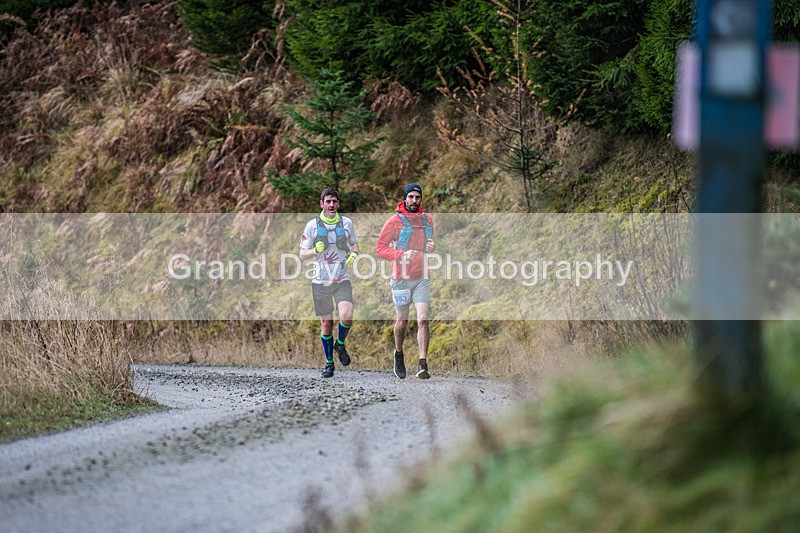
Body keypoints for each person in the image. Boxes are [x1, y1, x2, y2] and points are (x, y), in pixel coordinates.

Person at [376, 183, 435, 379]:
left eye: (417, 197)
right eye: (410, 197)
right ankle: (398, 354)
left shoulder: (427, 220)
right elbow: (380, 248)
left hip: (421, 277)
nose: (414, 201)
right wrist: (401, 254)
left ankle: (422, 364)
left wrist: (432, 245)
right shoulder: (394, 221)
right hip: (401, 279)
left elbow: (429, 244)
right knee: (401, 322)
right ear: (404, 199)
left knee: (423, 320)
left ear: (421, 199)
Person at [299, 188, 359, 378]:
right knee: (327, 323)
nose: (331, 205)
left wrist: (354, 255)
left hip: (341, 279)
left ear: (338, 204)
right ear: (321, 204)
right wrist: (315, 250)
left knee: (347, 316)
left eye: (334, 201)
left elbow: (354, 244)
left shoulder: (347, 223)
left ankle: (339, 344)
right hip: (320, 281)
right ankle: (329, 363)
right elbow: (302, 254)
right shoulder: (312, 226)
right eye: (328, 201)